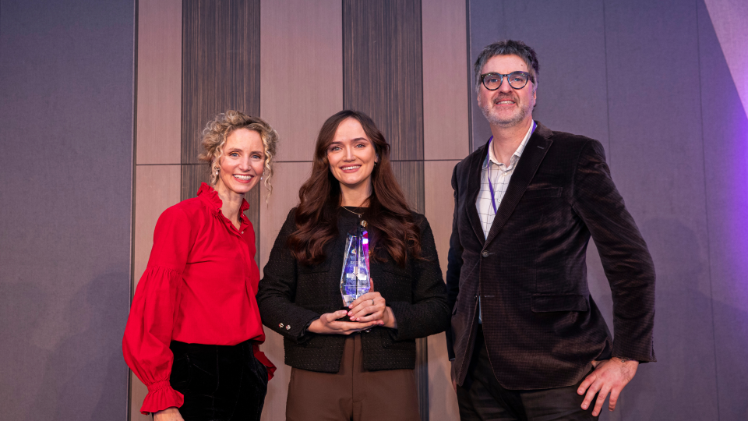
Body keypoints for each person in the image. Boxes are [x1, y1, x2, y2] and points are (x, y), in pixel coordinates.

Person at [446, 40, 656, 420]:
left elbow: (629, 259)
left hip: (558, 373)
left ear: (534, 90)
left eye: (517, 77)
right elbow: (461, 267)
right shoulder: (465, 170)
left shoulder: (574, 156)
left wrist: (627, 356)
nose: (504, 87)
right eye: (491, 79)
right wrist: (457, 352)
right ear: (478, 94)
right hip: (478, 378)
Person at [257, 110, 450, 421]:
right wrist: (313, 324)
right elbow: (268, 298)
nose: (348, 155)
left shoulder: (411, 225)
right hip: (315, 372)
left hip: (390, 376)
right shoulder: (301, 222)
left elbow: (439, 308)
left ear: (376, 154)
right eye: (336, 147)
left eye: (359, 144)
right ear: (326, 159)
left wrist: (389, 315)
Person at [122, 111, 278, 421]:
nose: (246, 165)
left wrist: (254, 366)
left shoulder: (245, 228)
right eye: (234, 153)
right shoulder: (182, 217)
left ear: (266, 165)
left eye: (256, 156)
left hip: (243, 374)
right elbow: (153, 307)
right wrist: (161, 397)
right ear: (215, 158)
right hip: (196, 374)